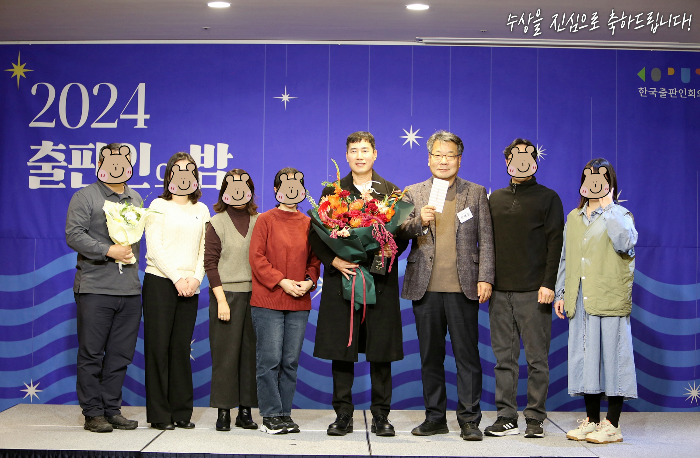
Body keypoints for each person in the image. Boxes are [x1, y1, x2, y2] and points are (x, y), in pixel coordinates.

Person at [397, 130, 495, 441]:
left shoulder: (475, 192)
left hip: (464, 286)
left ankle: (469, 420)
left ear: (459, 160)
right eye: (438, 155)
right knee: (430, 357)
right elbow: (399, 232)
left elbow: (487, 239)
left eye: (449, 155)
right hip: (425, 287)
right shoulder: (413, 192)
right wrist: (419, 222)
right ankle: (435, 417)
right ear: (429, 159)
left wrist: (485, 277)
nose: (443, 160)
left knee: (467, 357)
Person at [310, 131, 407, 437]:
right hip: (345, 278)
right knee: (343, 347)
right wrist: (334, 261)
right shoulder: (333, 191)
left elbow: (401, 234)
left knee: (381, 349)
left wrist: (388, 249)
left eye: (365, 150)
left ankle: (381, 415)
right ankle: (343, 414)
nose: (360, 156)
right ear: (347, 156)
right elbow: (316, 233)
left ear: (375, 154)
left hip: (380, 279)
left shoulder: (391, 192)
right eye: (354, 150)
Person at [553, 158, 637, 444]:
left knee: (613, 359)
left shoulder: (621, 214)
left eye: (601, 179)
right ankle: (591, 420)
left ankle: (612, 424)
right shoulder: (574, 217)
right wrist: (561, 293)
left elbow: (625, 243)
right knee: (585, 359)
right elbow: (566, 257)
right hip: (580, 298)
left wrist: (608, 207)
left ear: (610, 183)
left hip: (609, 297)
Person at [484, 139, 564, 438]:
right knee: (504, 360)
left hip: (535, 292)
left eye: (526, 156)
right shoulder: (495, 198)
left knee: (537, 360)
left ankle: (535, 418)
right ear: (507, 162)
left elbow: (556, 243)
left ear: (534, 161)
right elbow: (486, 243)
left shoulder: (549, 198)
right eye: (514, 157)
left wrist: (548, 283)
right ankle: (506, 416)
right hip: (499, 292)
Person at [66, 143, 142, 433]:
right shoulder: (86, 196)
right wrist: (108, 250)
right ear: (100, 164)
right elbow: (73, 235)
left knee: (120, 355)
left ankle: (112, 409)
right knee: (91, 354)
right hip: (95, 288)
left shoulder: (135, 198)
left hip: (130, 290)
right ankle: (93, 413)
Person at [249, 167, 321, 434]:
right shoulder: (264, 220)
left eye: (297, 185)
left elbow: (315, 260)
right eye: (286, 185)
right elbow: (257, 257)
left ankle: (284, 414)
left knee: (290, 361)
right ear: (276, 189)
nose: (292, 189)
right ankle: (270, 415)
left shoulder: (309, 223)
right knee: (269, 360)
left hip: (299, 302)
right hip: (268, 300)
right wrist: (281, 281)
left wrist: (309, 282)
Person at [143, 152, 210, 430]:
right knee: (158, 347)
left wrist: (195, 279)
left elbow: (205, 249)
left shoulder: (202, 209)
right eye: (178, 169)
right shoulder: (158, 205)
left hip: (190, 286)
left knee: (181, 348)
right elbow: (154, 247)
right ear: (169, 174)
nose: (184, 174)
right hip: (160, 281)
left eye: (189, 170)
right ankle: (160, 414)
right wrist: (176, 278)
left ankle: (182, 412)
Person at [204, 169, 259, 432]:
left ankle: (245, 411)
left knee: (250, 355)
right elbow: (210, 264)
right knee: (225, 356)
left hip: (256, 297)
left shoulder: (260, 221)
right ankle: (224, 411)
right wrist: (222, 300)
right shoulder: (217, 222)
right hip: (225, 295)